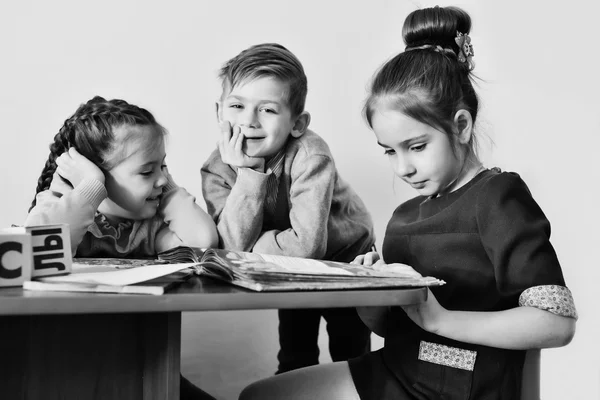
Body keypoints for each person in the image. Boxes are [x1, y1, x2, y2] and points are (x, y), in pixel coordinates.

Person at [238, 6, 578, 400]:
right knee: (259, 396)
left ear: (462, 126)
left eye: (416, 147)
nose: (403, 168)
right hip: (396, 371)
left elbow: (556, 324)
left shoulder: (498, 197)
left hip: (462, 389)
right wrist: (369, 295)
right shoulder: (404, 216)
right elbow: (391, 328)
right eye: (389, 152)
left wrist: (441, 321)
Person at [25, 95, 219, 400]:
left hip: (144, 372)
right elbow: (36, 251)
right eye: (146, 171)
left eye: (164, 166)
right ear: (97, 177)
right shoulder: (62, 210)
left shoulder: (149, 228)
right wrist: (89, 188)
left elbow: (202, 240)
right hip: (65, 373)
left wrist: (163, 185)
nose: (162, 178)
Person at [201, 43, 375, 374]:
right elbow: (230, 250)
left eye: (267, 110)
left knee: (352, 355)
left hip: (347, 261)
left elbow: (308, 247)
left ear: (297, 123)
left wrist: (259, 245)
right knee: (295, 354)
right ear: (219, 112)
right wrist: (249, 173)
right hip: (287, 268)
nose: (249, 122)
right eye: (237, 105)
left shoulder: (311, 155)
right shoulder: (217, 168)